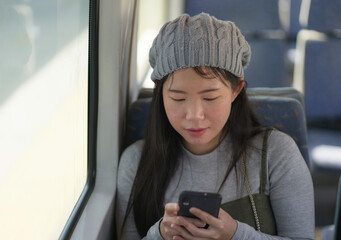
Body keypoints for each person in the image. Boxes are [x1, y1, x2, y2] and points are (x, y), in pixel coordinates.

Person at [116, 12, 315, 240]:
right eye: (178, 99)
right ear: (160, 94)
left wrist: (235, 235)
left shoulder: (276, 153)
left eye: (209, 98)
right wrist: (159, 235)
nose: (195, 116)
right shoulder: (136, 162)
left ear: (235, 90)